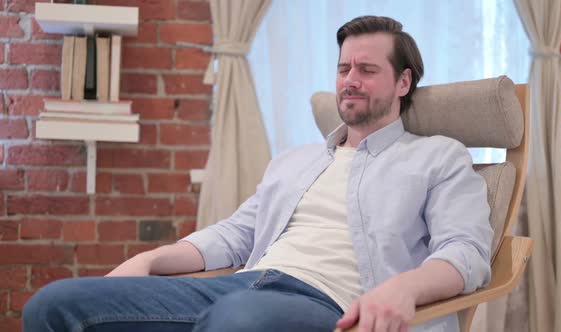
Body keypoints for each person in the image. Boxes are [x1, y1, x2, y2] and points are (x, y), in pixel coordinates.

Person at [23, 16, 492, 332]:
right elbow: (235, 236)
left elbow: (466, 251)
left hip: (332, 304)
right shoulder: (296, 161)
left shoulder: (439, 157)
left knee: (238, 318)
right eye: (344, 67)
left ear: (404, 82)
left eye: (367, 70)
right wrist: (150, 259)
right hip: (246, 284)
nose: (350, 80)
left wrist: (403, 288)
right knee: (53, 304)